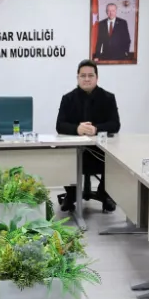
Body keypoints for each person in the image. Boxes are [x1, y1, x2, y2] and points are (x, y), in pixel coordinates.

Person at [56, 59, 121, 213]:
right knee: (59, 155)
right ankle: (71, 194)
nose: (86, 79)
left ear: (96, 78)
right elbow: (60, 125)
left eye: (90, 76)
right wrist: (77, 129)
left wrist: (96, 129)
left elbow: (115, 124)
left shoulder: (108, 98)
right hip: (75, 151)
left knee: (116, 159)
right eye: (83, 76)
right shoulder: (68, 98)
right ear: (77, 78)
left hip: (100, 152)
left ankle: (104, 193)